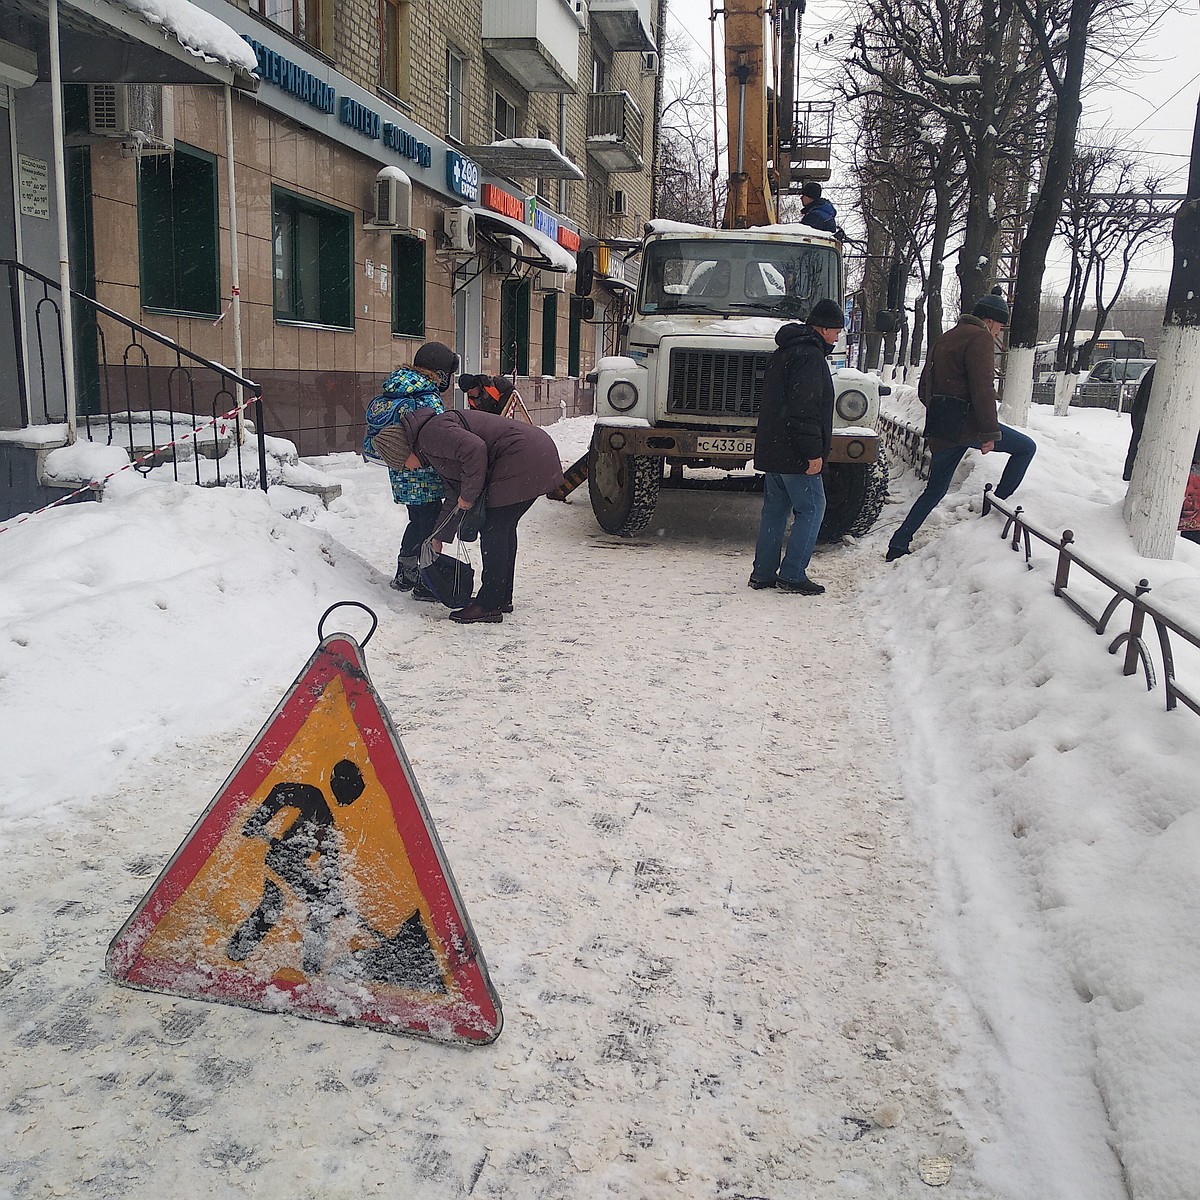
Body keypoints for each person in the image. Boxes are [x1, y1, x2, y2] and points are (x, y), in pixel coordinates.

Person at [373, 407, 564, 624]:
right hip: (533, 453)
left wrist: (469, 494)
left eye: (401, 464)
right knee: (503, 528)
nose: (406, 469)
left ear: (403, 451)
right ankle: (499, 597)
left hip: (522, 455)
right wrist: (439, 536)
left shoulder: (430, 434)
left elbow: (475, 449)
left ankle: (489, 605)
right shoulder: (430, 445)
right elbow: (454, 495)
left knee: (495, 529)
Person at [886, 294, 1037, 561]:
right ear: (989, 320)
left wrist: (941, 412)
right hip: (969, 427)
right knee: (1026, 448)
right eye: (1000, 325)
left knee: (934, 490)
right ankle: (995, 508)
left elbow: (924, 389)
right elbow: (983, 389)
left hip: (943, 427)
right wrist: (989, 433)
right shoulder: (979, 338)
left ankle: (898, 543)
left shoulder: (946, 337)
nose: (999, 330)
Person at [748, 298, 846, 595]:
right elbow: (805, 410)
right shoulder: (810, 357)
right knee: (813, 508)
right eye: (836, 331)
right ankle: (791, 574)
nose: (838, 337)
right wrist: (813, 453)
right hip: (795, 452)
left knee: (775, 512)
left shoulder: (785, 351)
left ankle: (763, 572)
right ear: (823, 329)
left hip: (775, 448)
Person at [363, 341, 459, 598]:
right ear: (440, 373)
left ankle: (406, 573)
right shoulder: (426, 397)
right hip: (424, 472)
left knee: (418, 520)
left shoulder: (395, 390)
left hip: (401, 470)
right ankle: (424, 578)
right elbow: (442, 437)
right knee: (429, 523)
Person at [1123, 363, 1200, 544]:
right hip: (1182, 463)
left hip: (1162, 458)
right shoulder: (1176, 362)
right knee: (1184, 528)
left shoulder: (1168, 363)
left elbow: (1139, 414)